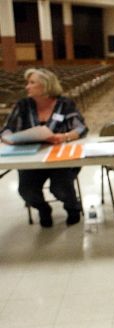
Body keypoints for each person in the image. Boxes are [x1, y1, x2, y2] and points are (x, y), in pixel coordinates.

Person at [0, 68, 88, 228]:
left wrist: (65, 136)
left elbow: (81, 128)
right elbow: (7, 129)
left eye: (32, 83)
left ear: (46, 85)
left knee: (60, 189)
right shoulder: (22, 105)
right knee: (27, 191)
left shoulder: (65, 104)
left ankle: (72, 207)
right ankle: (43, 209)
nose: (27, 87)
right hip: (30, 158)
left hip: (60, 157)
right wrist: (9, 138)